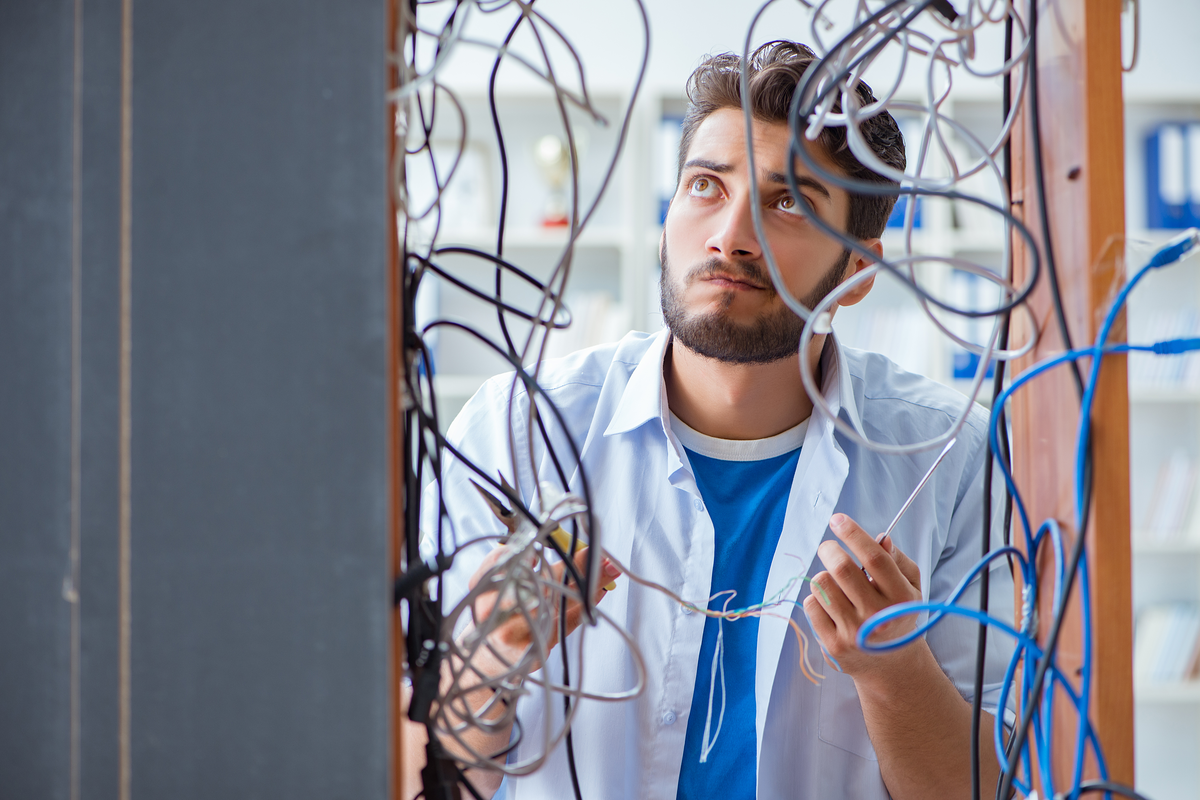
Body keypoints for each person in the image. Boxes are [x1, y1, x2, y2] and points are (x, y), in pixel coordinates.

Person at [405, 40, 1014, 800]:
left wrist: (895, 674)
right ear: (666, 220)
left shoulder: (951, 458)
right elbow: (420, 777)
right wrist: (490, 656)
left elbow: (980, 792)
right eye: (704, 186)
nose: (730, 234)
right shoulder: (515, 434)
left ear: (856, 275)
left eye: (787, 202)